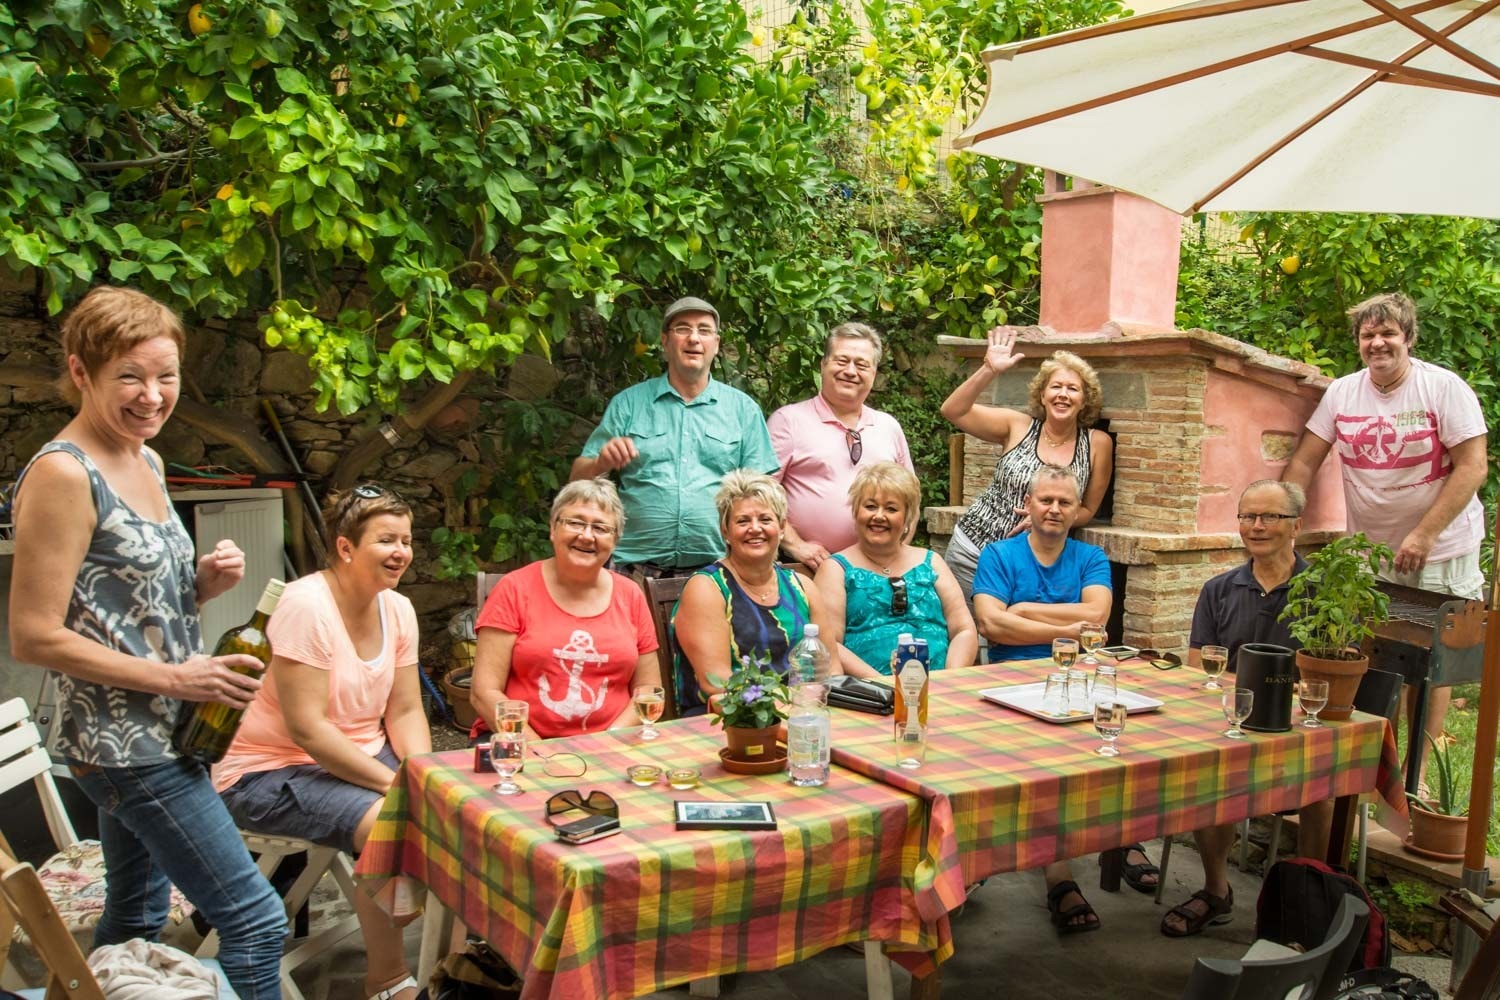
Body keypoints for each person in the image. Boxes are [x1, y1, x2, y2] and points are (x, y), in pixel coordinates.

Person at [8, 286, 287, 999]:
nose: (152, 395)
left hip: (168, 732)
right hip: (120, 745)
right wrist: (178, 680)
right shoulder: (66, 474)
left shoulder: (147, 460)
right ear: (80, 372)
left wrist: (199, 587)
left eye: (166, 376)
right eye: (129, 377)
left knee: (134, 918)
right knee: (256, 921)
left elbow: (114, 608)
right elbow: (35, 635)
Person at [215, 484, 428, 1000]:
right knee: (392, 821)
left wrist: (423, 773)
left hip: (351, 755)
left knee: (448, 803)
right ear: (346, 547)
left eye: (405, 539)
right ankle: (388, 980)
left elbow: (404, 709)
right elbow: (308, 730)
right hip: (268, 771)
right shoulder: (305, 605)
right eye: (385, 540)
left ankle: (451, 942)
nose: (400, 551)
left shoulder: (398, 609)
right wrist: (397, 784)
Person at [1282, 292, 1488, 785]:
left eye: (1388, 334)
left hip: (1442, 543)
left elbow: (1472, 467)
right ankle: (1381, 752)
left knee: (1434, 652)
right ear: (1358, 342)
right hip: (1369, 548)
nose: (1377, 343)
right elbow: (1306, 459)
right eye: (1368, 335)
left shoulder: (1443, 388)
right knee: (1375, 646)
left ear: (1409, 339)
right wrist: (1286, 513)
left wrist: (1424, 533)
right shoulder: (1343, 393)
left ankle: (1424, 758)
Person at [1162, 480, 1327, 938]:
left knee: (1323, 788)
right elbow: (1200, 671)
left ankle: (1308, 900)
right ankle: (1217, 891)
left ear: (1297, 524)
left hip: (1298, 728)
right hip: (1231, 723)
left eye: (1269, 516)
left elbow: (1332, 672)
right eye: (1247, 516)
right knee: (1209, 775)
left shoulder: (1326, 595)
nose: (1256, 526)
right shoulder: (1219, 589)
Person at [970, 464, 1126, 933]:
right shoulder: (998, 554)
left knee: (1092, 763)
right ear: (1028, 504)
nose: (1054, 509)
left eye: (1064, 502)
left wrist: (1023, 609)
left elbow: (1097, 615)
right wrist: (1065, 629)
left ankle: (1081, 862)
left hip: (1078, 680)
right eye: (1046, 500)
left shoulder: (1090, 558)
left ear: (1078, 510)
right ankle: (1041, 872)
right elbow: (991, 625)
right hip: (1010, 684)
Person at [570, 297, 779, 576]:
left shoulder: (743, 410)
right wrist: (600, 463)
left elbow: (762, 495)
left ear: (716, 344)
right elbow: (576, 481)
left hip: (718, 570)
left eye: (704, 330)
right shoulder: (628, 404)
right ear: (665, 341)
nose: (694, 338)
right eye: (683, 329)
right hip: (633, 568)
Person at [470, 478, 661, 739]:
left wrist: (610, 740)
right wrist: (541, 751)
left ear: (615, 541)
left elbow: (648, 688)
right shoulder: (514, 589)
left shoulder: (630, 595)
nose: (586, 535)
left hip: (613, 744)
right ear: (552, 529)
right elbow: (484, 693)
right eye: (575, 522)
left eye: (601, 528)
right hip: (520, 743)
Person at [940, 329, 1114, 598]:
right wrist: (989, 369)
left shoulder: (1097, 444)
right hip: (973, 551)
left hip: (1032, 564)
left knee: (1013, 632)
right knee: (967, 634)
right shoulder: (1017, 425)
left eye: (1073, 389)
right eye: (1055, 386)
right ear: (1042, 395)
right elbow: (953, 411)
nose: (1063, 394)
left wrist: (1045, 516)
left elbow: (1089, 508)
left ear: (1084, 400)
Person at [673, 471, 841, 715]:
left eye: (765, 519)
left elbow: (832, 668)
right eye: (742, 521)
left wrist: (808, 708)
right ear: (726, 531)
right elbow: (716, 683)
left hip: (804, 714)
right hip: (731, 720)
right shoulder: (708, 588)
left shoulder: (802, 586)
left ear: (781, 528)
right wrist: (789, 708)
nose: (755, 528)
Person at [768, 322, 914, 571]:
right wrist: (796, 545)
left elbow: (911, 500)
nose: (850, 371)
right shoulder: (788, 421)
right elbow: (762, 495)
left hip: (877, 571)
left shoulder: (888, 426)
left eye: (861, 364)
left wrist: (894, 554)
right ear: (823, 365)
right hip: (807, 569)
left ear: (874, 373)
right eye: (841, 360)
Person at [814, 462, 977, 675]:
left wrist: (947, 680)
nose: (879, 516)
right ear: (856, 512)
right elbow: (830, 644)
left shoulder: (931, 562)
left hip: (939, 689)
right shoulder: (835, 570)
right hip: (870, 693)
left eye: (891, 508)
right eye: (870, 506)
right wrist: (886, 686)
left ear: (907, 518)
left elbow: (964, 630)